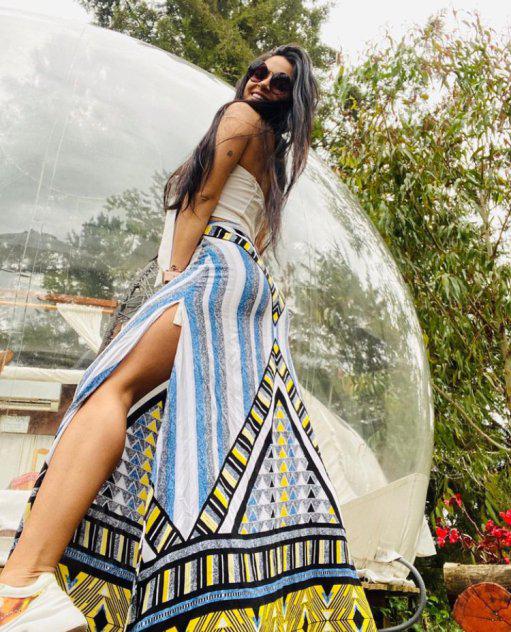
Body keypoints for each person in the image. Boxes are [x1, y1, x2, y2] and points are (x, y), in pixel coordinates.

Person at [0, 44, 376, 631]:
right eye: (258, 71)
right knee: (160, 422)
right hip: (244, 282)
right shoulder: (275, 157)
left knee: (109, 389)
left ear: (291, 99)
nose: (261, 83)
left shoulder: (239, 118)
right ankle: (57, 583)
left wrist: (173, 278)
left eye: (279, 82)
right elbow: (246, 229)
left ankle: (25, 581)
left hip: (211, 271)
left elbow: (200, 202)